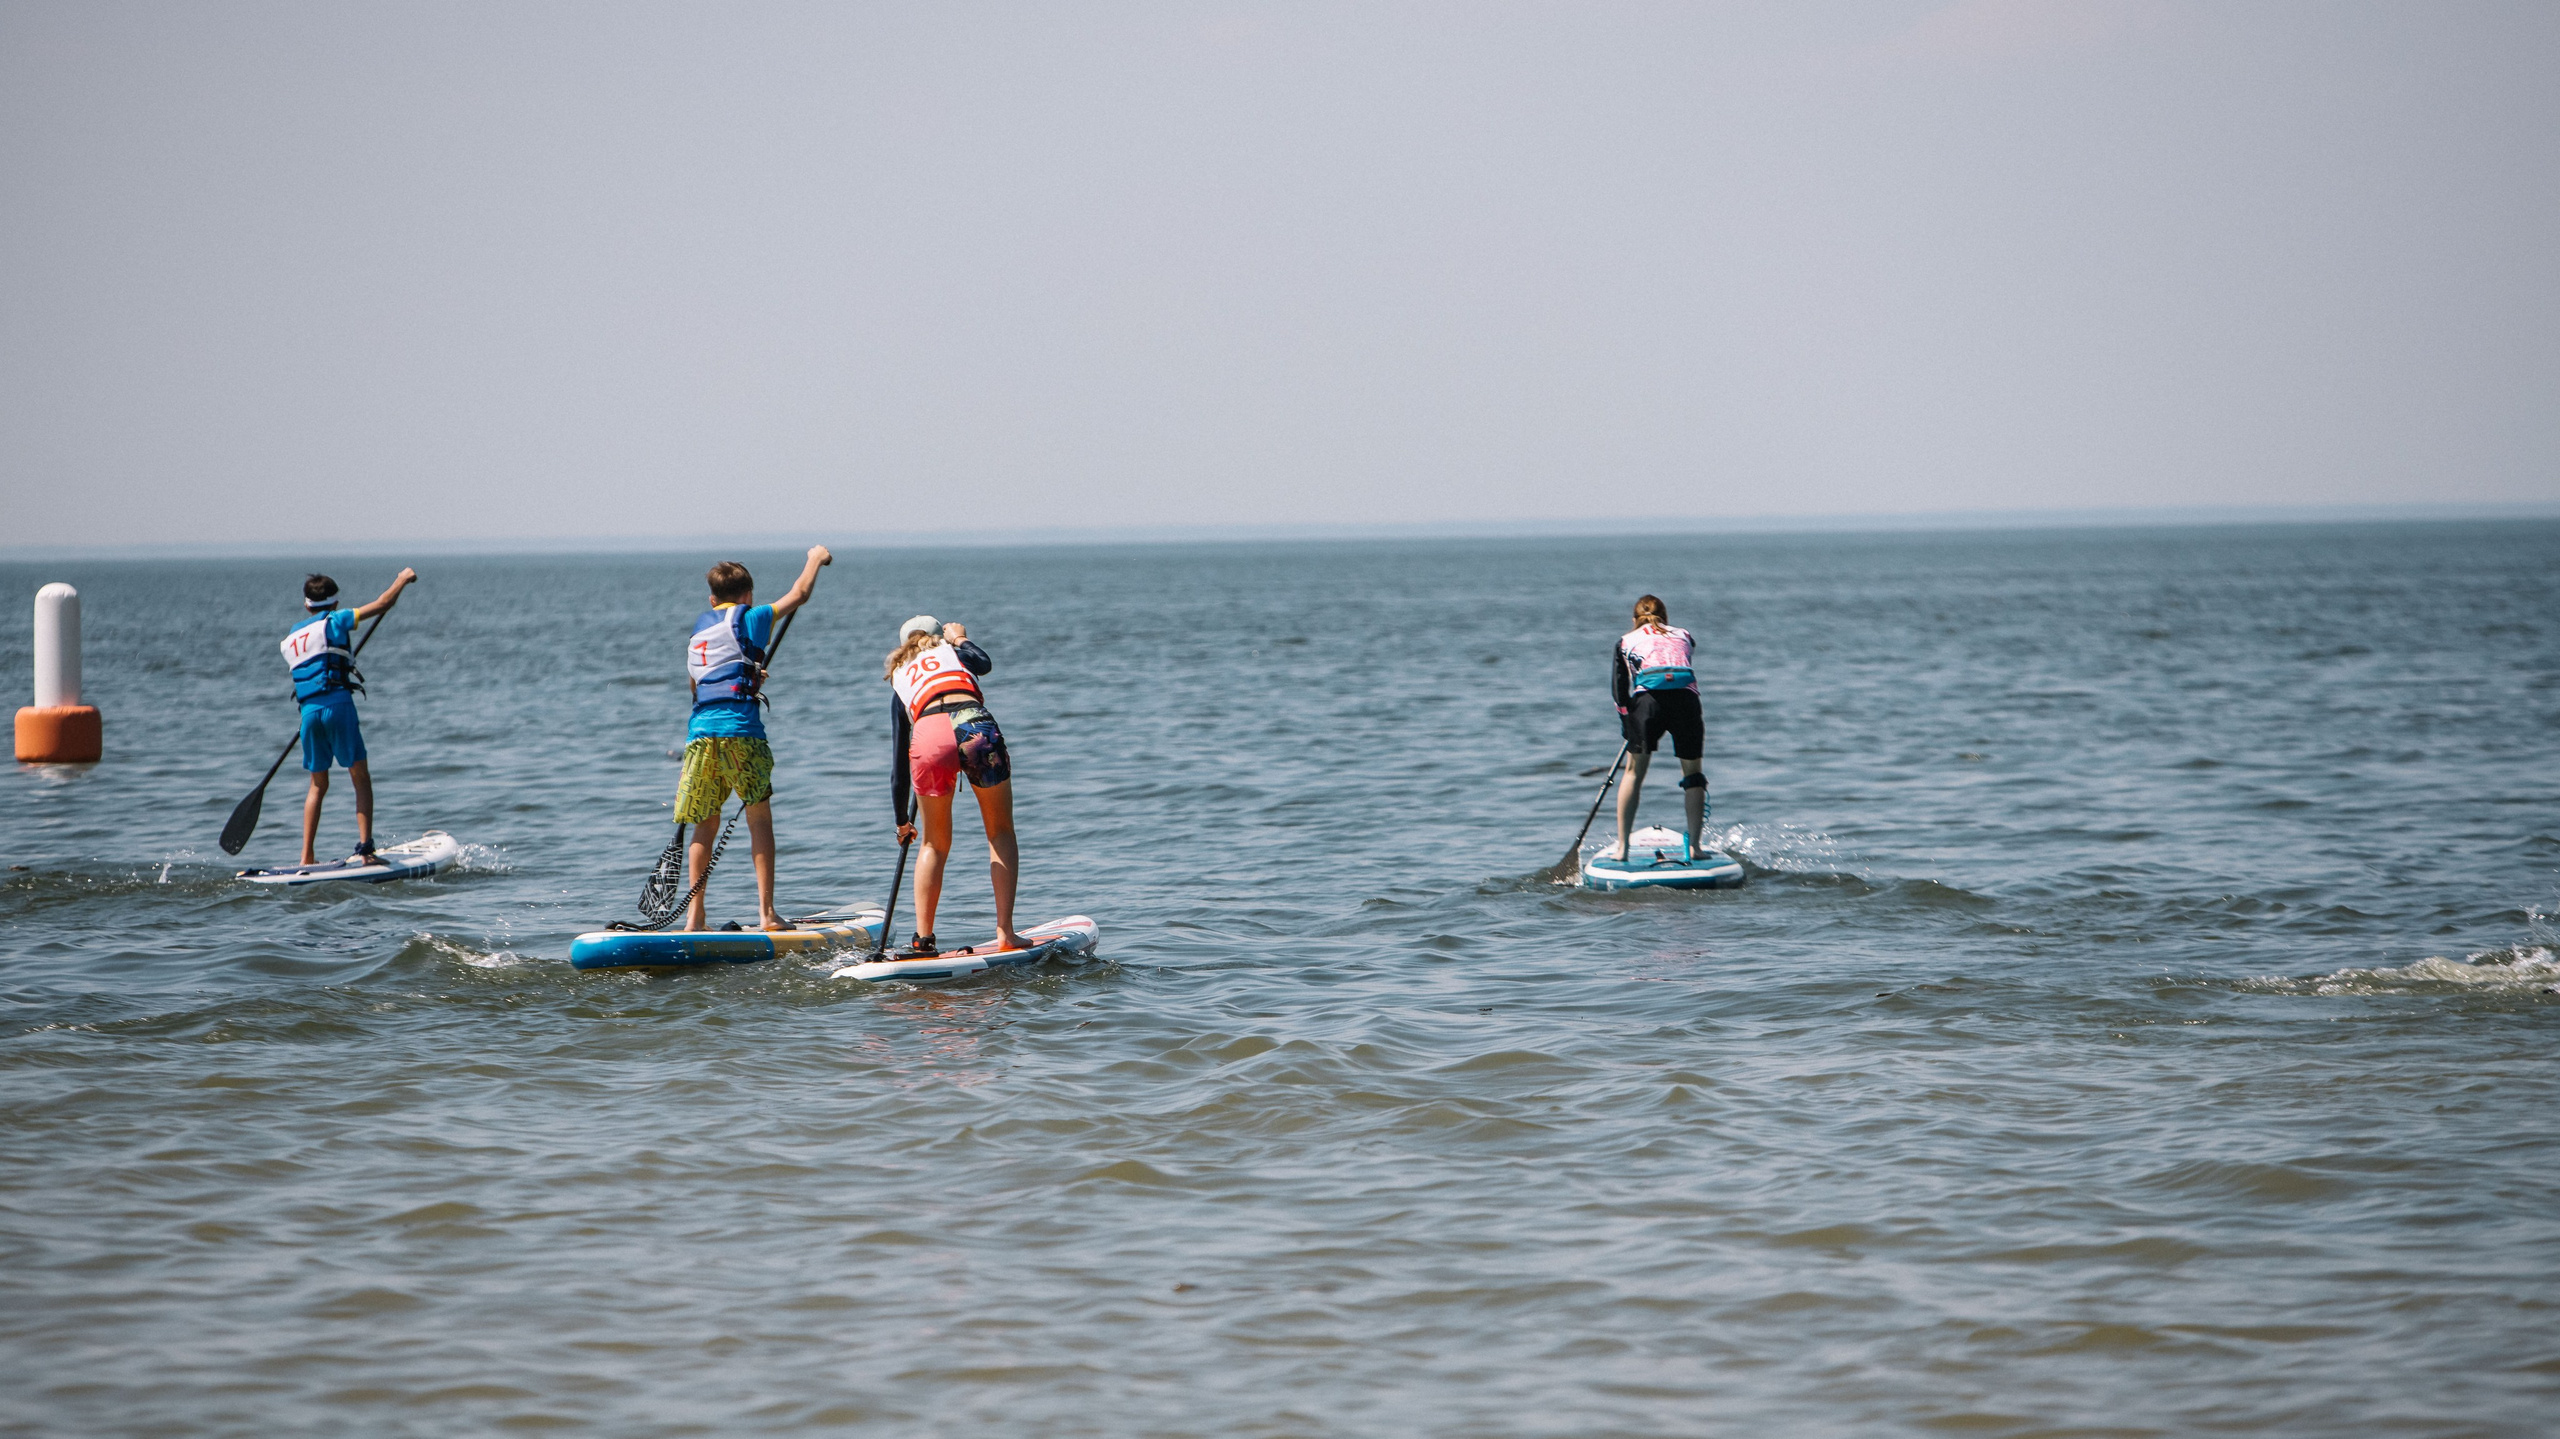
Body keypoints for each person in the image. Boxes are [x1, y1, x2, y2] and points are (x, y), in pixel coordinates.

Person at [675, 547, 830, 931]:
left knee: (704, 825)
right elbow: (799, 595)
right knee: (758, 818)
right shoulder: (752, 616)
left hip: (700, 735)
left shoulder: (698, 633)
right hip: (742, 733)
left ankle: (695, 917)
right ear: (748, 595)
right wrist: (815, 558)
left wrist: (748, 677)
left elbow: (698, 688)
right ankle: (767, 914)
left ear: (712, 600)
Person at [884, 614, 1020, 955]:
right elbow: (984, 663)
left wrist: (902, 820)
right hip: (973, 724)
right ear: (939, 639)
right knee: (1000, 832)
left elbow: (899, 763)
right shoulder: (954, 653)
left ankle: (923, 940)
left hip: (929, 734)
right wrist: (960, 638)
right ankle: (1006, 932)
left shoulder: (901, 680)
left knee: (933, 843)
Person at [282, 568, 417, 865]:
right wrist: (402, 580)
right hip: (338, 707)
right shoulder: (336, 620)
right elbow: (382, 604)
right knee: (360, 778)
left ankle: (306, 857)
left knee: (317, 785)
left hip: (308, 715)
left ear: (306, 605)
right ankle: (366, 851)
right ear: (335, 603)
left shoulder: (292, 635)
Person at [1609, 593, 1709, 860]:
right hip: (1686, 702)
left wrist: (1626, 722)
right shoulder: (1684, 634)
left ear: (1634, 619)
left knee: (1633, 773)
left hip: (1647, 704)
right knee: (1693, 775)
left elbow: (1619, 690)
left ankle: (1622, 849)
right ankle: (1695, 848)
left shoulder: (1625, 641)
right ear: (1665, 617)